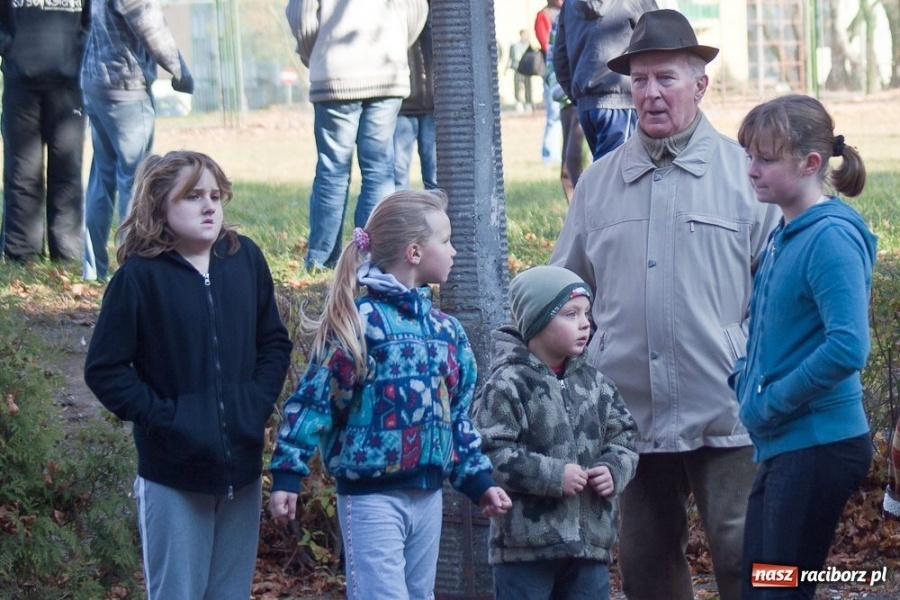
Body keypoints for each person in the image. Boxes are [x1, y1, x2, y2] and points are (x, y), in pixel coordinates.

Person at [550, 10, 780, 600]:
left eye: (666, 78)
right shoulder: (599, 184)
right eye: (641, 79)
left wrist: (753, 367)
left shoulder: (744, 177)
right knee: (645, 563)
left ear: (700, 85)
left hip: (727, 408)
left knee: (745, 556)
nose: (651, 93)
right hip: (628, 416)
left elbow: (780, 293)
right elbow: (563, 291)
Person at [267, 190, 512, 598]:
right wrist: (288, 475)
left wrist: (478, 480)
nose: (454, 251)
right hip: (371, 499)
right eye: (446, 241)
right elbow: (314, 402)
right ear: (414, 251)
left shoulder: (447, 332)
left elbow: (458, 419)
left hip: (428, 496)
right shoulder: (360, 325)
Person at [84, 151, 293, 599]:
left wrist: (253, 405)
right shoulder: (139, 279)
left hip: (241, 468)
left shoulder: (246, 259)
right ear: (160, 205)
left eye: (216, 195)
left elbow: (274, 342)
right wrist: (170, 418)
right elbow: (105, 369)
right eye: (193, 196)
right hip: (173, 476)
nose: (209, 206)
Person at [730, 94, 876, 599]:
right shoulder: (784, 232)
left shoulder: (831, 239)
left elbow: (848, 347)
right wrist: (743, 379)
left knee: (779, 590)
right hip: (787, 443)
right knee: (761, 584)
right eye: (749, 156)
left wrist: (769, 401)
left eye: (766, 159)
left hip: (818, 444)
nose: (752, 170)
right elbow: (778, 330)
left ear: (811, 163)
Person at [473, 266, 638, 600]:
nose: (584, 323)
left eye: (586, 314)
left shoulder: (597, 385)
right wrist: (553, 475)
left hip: (589, 546)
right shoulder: (507, 384)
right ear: (536, 322)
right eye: (570, 314)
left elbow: (624, 436)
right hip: (525, 549)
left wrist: (612, 468)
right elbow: (489, 452)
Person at [286, 0, 428, 271]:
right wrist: (395, 42)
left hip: (334, 71)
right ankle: (370, 256)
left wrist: (317, 52)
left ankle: (322, 258)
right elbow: (416, 10)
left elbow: (300, 16)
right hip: (387, 72)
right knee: (379, 169)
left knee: (332, 171)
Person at [80, 0, 194, 282]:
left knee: (101, 178)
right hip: (125, 87)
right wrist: (180, 72)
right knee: (136, 180)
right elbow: (150, 25)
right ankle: (131, 266)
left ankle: (92, 268)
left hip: (95, 84)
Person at [0, 0, 88, 263]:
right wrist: (9, 46)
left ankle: (68, 251)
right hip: (20, 86)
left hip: (69, 87)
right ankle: (22, 253)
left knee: (68, 169)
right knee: (22, 171)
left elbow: (94, 22)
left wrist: (77, 50)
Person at [553, 0, 657, 162]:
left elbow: (559, 60)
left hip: (588, 105)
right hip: (622, 100)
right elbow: (659, 36)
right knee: (617, 176)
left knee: (606, 172)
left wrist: (579, 98)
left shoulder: (569, 4)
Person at [393, 5, 437, 191]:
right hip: (402, 105)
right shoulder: (395, 12)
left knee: (435, 175)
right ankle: (401, 219)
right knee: (398, 174)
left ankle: (438, 218)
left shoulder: (437, 13)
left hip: (432, 104)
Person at [546, 12, 584, 203]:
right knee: (569, 169)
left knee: (585, 162)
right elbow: (553, 58)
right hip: (569, 101)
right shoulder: (564, 15)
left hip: (598, 98)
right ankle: (576, 220)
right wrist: (568, 93)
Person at [535, 0, 562, 165]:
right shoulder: (543, 15)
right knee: (553, 115)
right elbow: (546, 43)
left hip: (564, 69)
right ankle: (549, 155)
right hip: (552, 72)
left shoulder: (568, 11)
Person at [507, 29, 534, 112]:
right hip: (517, 68)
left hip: (526, 69)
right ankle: (519, 103)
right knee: (517, 87)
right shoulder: (515, 46)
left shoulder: (529, 46)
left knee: (528, 87)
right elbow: (511, 58)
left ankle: (528, 103)